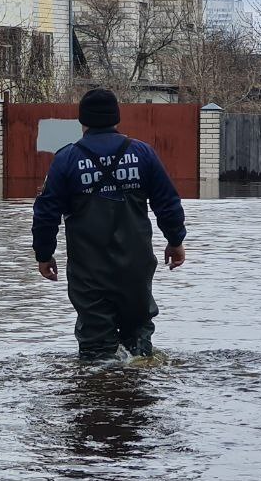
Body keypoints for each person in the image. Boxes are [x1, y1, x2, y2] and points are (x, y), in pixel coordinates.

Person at [32, 88, 188, 360]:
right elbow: (168, 204)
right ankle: (136, 392)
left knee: (96, 351)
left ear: (83, 121)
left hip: (88, 272)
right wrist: (175, 241)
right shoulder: (142, 154)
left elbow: (46, 214)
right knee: (138, 342)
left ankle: (99, 393)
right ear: (117, 118)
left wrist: (44, 255)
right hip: (136, 268)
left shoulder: (66, 159)